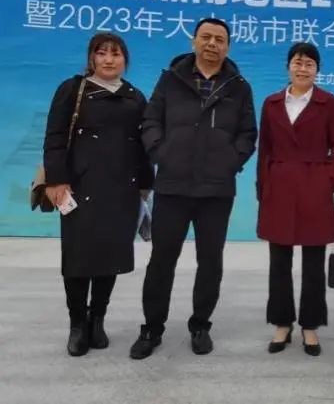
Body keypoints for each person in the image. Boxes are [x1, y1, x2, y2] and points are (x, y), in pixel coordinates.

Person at [129, 18, 257, 359]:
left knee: (210, 262)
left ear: (227, 46)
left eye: (219, 39)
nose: (212, 43)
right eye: (206, 37)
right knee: (162, 260)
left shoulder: (239, 87)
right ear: (194, 41)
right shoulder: (171, 80)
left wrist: (229, 162)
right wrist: (161, 153)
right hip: (173, 186)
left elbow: (247, 134)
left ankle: (200, 325)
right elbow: (151, 121)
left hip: (216, 190)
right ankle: (152, 328)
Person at [43, 32, 154, 356]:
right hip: (78, 187)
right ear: (91, 58)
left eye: (115, 54)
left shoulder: (135, 97)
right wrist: (56, 180)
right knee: (78, 258)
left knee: (110, 257)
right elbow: (55, 137)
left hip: (122, 190)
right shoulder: (72, 89)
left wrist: (145, 186)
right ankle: (77, 324)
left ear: (125, 60)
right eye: (102, 53)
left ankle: (97, 318)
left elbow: (143, 147)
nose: (108, 59)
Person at [257, 42, 334, 357]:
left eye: (309, 63)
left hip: (314, 185)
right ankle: (282, 323)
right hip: (279, 185)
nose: (303, 68)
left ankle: (310, 325)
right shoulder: (271, 103)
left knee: (313, 262)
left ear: (317, 70)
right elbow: (265, 149)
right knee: (279, 261)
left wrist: (328, 179)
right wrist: (264, 187)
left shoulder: (328, 102)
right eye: (298, 62)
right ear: (288, 66)